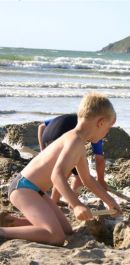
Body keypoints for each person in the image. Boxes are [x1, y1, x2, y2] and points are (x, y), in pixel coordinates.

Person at [0, 92, 121, 245]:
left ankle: (14, 223)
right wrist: (76, 205)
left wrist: (111, 202)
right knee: (55, 237)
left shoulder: (80, 144)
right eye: (108, 128)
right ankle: (2, 233)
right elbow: (56, 176)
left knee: (66, 231)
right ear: (100, 122)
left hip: (36, 192)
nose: (107, 133)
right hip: (23, 189)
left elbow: (88, 180)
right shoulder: (74, 140)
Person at [38, 114, 107, 204]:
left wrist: (42, 149)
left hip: (47, 136)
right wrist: (101, 180)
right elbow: (99, 159)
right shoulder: (95, 132)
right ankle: (71, 203)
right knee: (79, 175)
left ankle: (55, 200)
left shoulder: (77, 119)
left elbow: (41, 127)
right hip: (60, 138)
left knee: (62, 171)